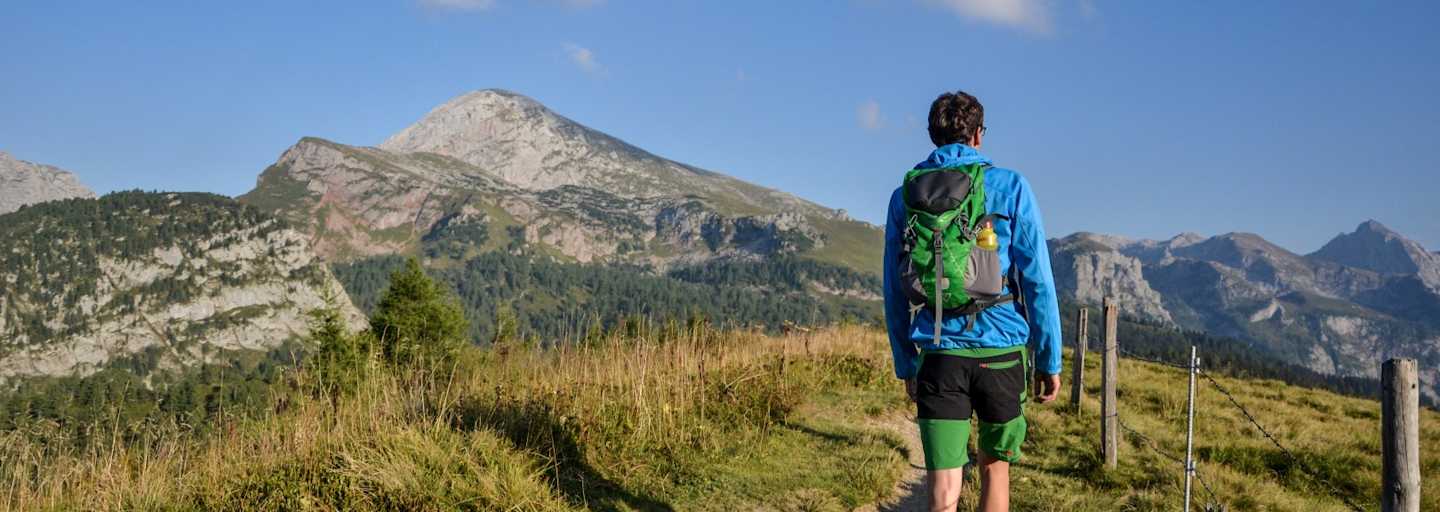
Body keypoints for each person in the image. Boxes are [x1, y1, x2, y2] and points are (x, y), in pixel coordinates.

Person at [883, 90, 1063, 512]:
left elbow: (893, 287)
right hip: (1001, 352)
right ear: (978, 135)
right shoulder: (1011, 186)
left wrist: (906, 362)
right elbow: (1037, 279)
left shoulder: (904, 196)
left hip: (939, 352)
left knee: (943, 489)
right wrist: (1049, 359)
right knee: (994, 471)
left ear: (933, 135)